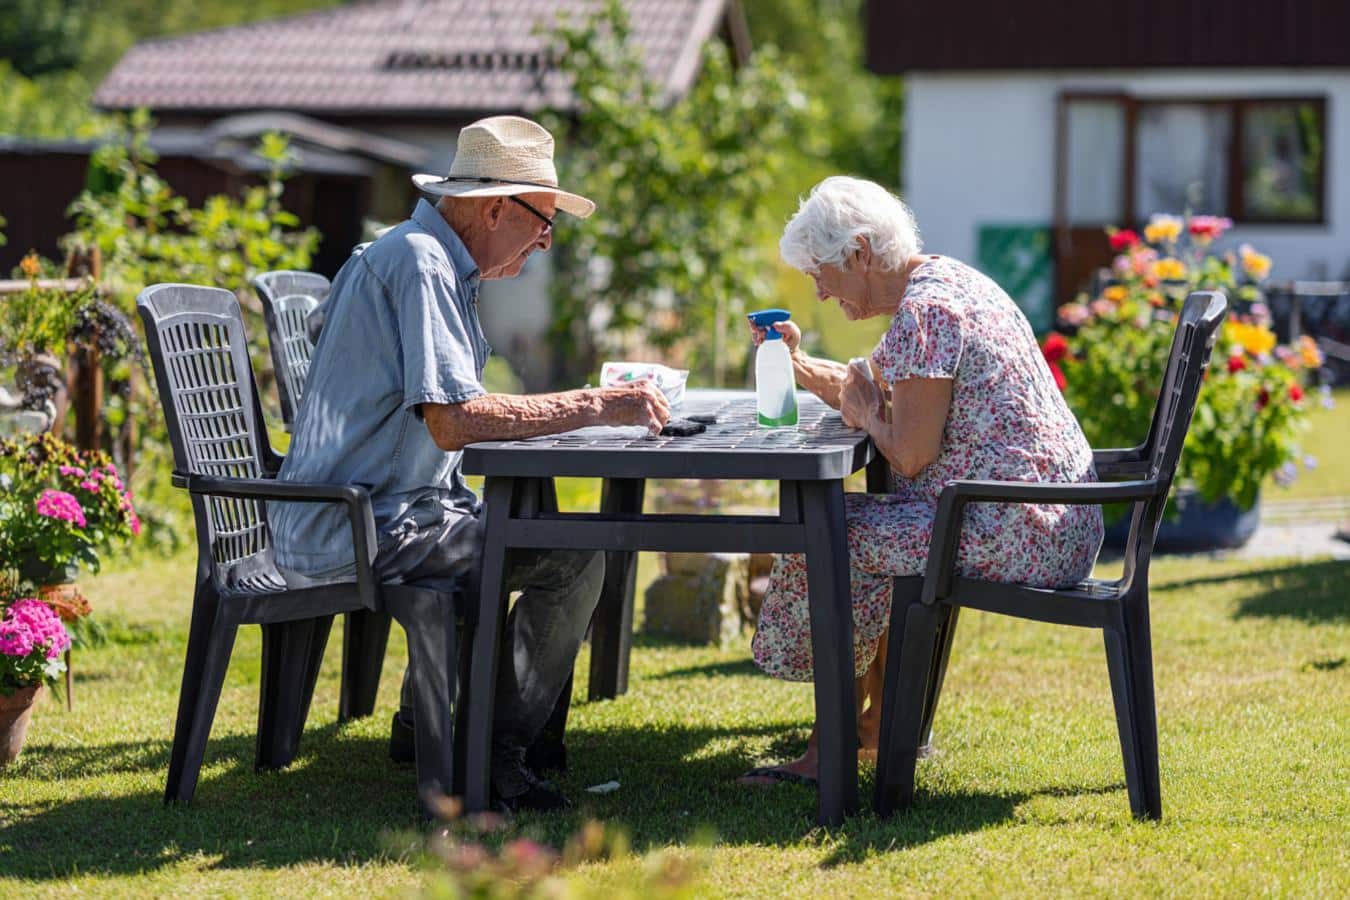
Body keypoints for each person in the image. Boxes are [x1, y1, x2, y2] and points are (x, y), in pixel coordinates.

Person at [270, 116, 671, 812]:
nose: (546, 242)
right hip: (362, 522)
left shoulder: (423, 255)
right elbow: (454, 422)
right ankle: (492, 752)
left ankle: (428, 726)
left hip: (378, 507)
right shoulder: (422, 263)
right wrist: (595, 404)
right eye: (543, 223)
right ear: (494, 207)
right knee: (575, 559)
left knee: (536, 526)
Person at [741, 176, 1103, 785]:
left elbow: (908, 453)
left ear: (858, 253)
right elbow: (874, 388)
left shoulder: (927, 311)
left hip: (1018, 526)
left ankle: (831, 748)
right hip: (1045, 516)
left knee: (827, 530)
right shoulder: (942, 284)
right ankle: (878, 726)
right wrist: (796, 363)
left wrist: (865, 420)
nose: (822, 295)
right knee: (852, 523)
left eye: (819, 274)